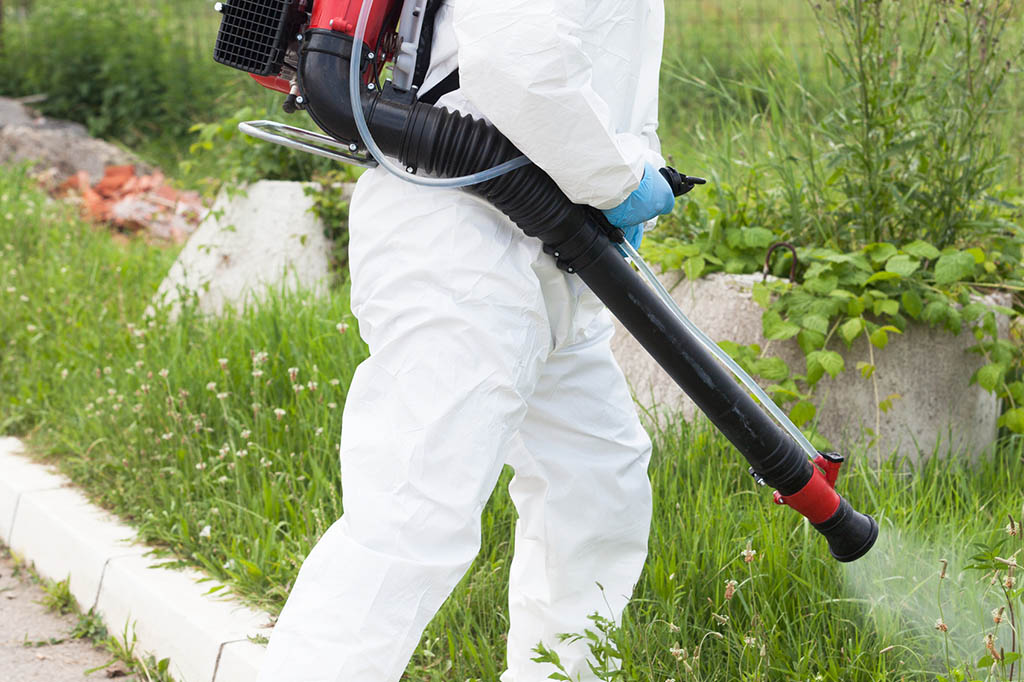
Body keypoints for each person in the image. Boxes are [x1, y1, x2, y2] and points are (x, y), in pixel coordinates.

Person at [257, 1, 675, 680]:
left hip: (547, 233)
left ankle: (563, 673)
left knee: (596, 477)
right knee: (415, 515)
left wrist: (618, 173)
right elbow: (520, 56)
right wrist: (620, 180)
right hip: (464, 235)